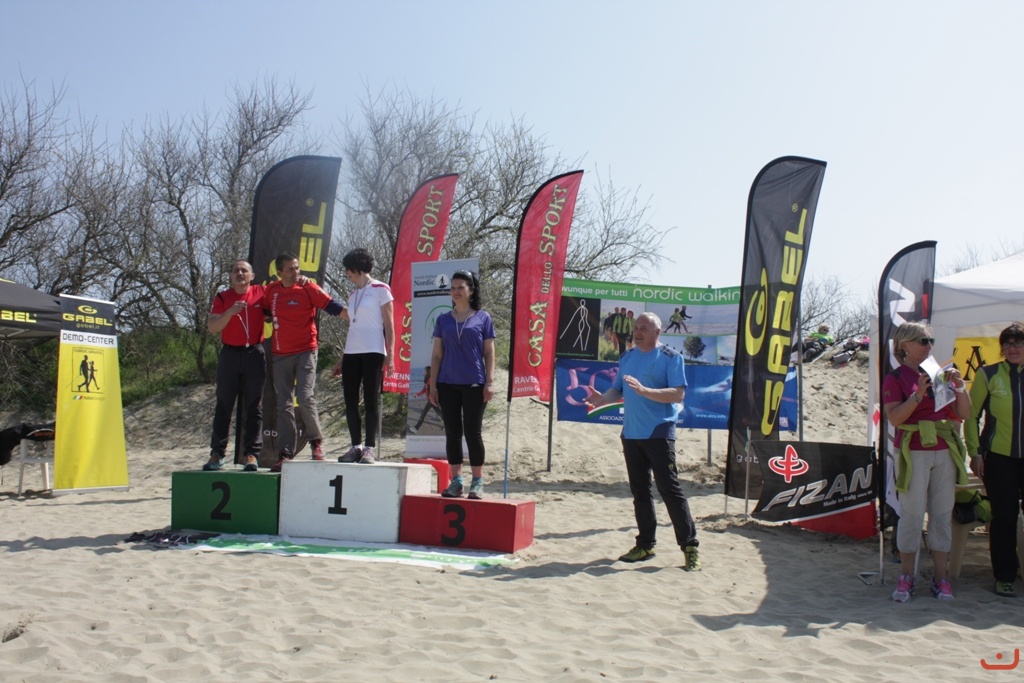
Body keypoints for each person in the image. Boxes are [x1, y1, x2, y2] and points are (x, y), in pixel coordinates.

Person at [585, 311, 702, 571]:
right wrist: (602, 398)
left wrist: (646, 391)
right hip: (631, 433)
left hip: (659, 432)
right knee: (640, 492)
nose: (637, 333)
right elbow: (618, 389)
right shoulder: (627, 357)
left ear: (657, 332)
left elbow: (678, 394)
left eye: (644, 329)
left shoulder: (671, 357)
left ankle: (690, 547)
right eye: (636, 328)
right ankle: (646, 545)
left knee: (669, 489)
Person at [882, 322, 971, 602]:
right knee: (911, 514)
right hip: (913, 450)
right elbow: (895, 418)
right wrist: (917, 395)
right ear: (904, 345)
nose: (928, 345)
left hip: (943, 449)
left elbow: (964, 413)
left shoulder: (938, 373)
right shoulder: (895, 377)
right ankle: (907, 576)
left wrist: (960, 387)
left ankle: (941, 578)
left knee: (942, 514)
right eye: (922, 340)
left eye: (930, 340)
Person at [263, 252, 345, 472]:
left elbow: (334, 307)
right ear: (279, 272)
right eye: (290, 269)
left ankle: (316, 443)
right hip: (280, 354)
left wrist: (361, 317)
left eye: (297, 267)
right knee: (283, 403)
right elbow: (262, 312)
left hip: (306, 351)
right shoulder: (271, 291)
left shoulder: (308, 287)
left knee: (305, 396)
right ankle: (285, 453)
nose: (296, 272)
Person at [965, 322, 1024, 598]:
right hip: (999, 459)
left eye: (1018, 343)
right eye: (1007, 344)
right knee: (1004, 517)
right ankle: (1004, 576)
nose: (1012, 349)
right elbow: (971, 416)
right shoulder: (988, 374)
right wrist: (975, 452)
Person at [428, 270, 495, 500]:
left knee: (472, 433)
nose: (456, 291)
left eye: (461, 287)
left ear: (471, 291)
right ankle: (456, 482)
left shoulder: (483, 318)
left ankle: (477, 482)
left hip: (474, 382)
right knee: (452, 433)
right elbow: (437, 355)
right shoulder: (443, 320)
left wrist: (489, 382)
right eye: (453, 288)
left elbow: (489, 353)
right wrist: (433, 385)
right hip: (447, 383)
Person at [204, 260, 269, 472]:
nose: (240, 273)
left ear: (252, 275)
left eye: (244, 270)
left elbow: (284, 293)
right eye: (236, 271)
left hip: (254, 354)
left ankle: (251, 455)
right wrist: (230, 312)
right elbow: (213, 327)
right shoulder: (223, 297)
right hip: (230, 355)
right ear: (231, 276)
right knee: (224, 404)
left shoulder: (262, 292)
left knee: (254, 406)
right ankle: (217, 453)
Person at [331, 248, 394, 465]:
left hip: (373, 351)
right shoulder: (353, 294)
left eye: (348, 269)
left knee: (370, 400)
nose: (346, 273)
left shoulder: (381, 289)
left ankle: (369, 448)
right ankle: (355, 446)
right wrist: (342, 359)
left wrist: (391, 353)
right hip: (352, 353)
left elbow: (389, 324)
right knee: (350, 400)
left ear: (357, 267)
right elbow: (353, 328)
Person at [409, 366, 442, 434]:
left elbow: (435, 391)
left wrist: (436, 400)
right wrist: (416, 395)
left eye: (425, 370)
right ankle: (450, 424)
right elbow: (424, 390)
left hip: (432, 400)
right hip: (431, 400)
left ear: (428, 372)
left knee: (423, 413)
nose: (424, 371)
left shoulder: (430, 380)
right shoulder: (427, 380)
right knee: (440, 413)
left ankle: (416, 428)